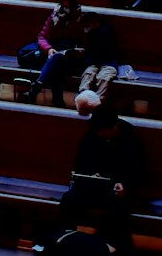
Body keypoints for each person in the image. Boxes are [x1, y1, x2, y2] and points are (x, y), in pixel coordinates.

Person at [56, 106, 142, 253]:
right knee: (69, 199)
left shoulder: (130, 138)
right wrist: (90, 175)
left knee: (117, 207)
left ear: (114, 127)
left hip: (116, 189)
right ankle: (65, 239)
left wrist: (124, 185)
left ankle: (110, 246)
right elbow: (80, 161)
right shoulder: (93, 134)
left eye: (103, 130)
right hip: (92, 185)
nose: (100, 133)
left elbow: (136, 169)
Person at [26, 0, 86, 107]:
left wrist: (79, 51)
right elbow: (42, 37)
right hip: (55, 55)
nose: (66, 9)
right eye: (64, 6)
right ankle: (57, 101)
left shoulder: (81, 19)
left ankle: (37, 85)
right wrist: (48, 49)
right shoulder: (54, 16)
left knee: (56, 62)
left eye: (69, 6)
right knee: (56, 62)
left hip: (73, 59)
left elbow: (86, 42)